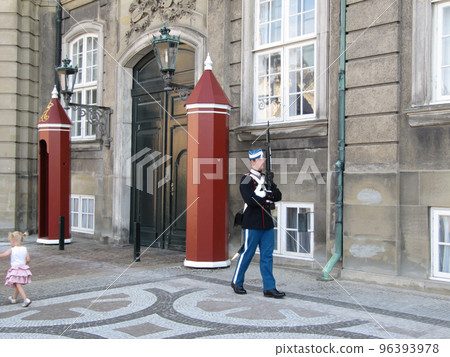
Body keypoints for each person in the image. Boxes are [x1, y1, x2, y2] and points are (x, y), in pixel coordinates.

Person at [231, 148, 285, 298]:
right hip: (252, 223)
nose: (264, 162)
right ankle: (237, 282)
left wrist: (266, 194)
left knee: (267, 256)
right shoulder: (247, 178)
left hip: (266, 222)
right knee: (247, 254)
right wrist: (267, 198)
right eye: (261, 160)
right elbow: (250, 199)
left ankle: (269, 287)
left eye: (264, 159)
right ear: (253, 161)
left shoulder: (266, 178)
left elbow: (278, 195)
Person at [0, 231, 32, 307]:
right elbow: (28, 259)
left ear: (13, 241)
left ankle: (26, 299)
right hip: (23, 269)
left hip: (15, 270)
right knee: (18, 284)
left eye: (10, 241)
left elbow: (3, 255)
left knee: (18, 284)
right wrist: (24, 265)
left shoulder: (12, 249)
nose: (10, 243)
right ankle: (13, 298)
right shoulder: (25, 249)